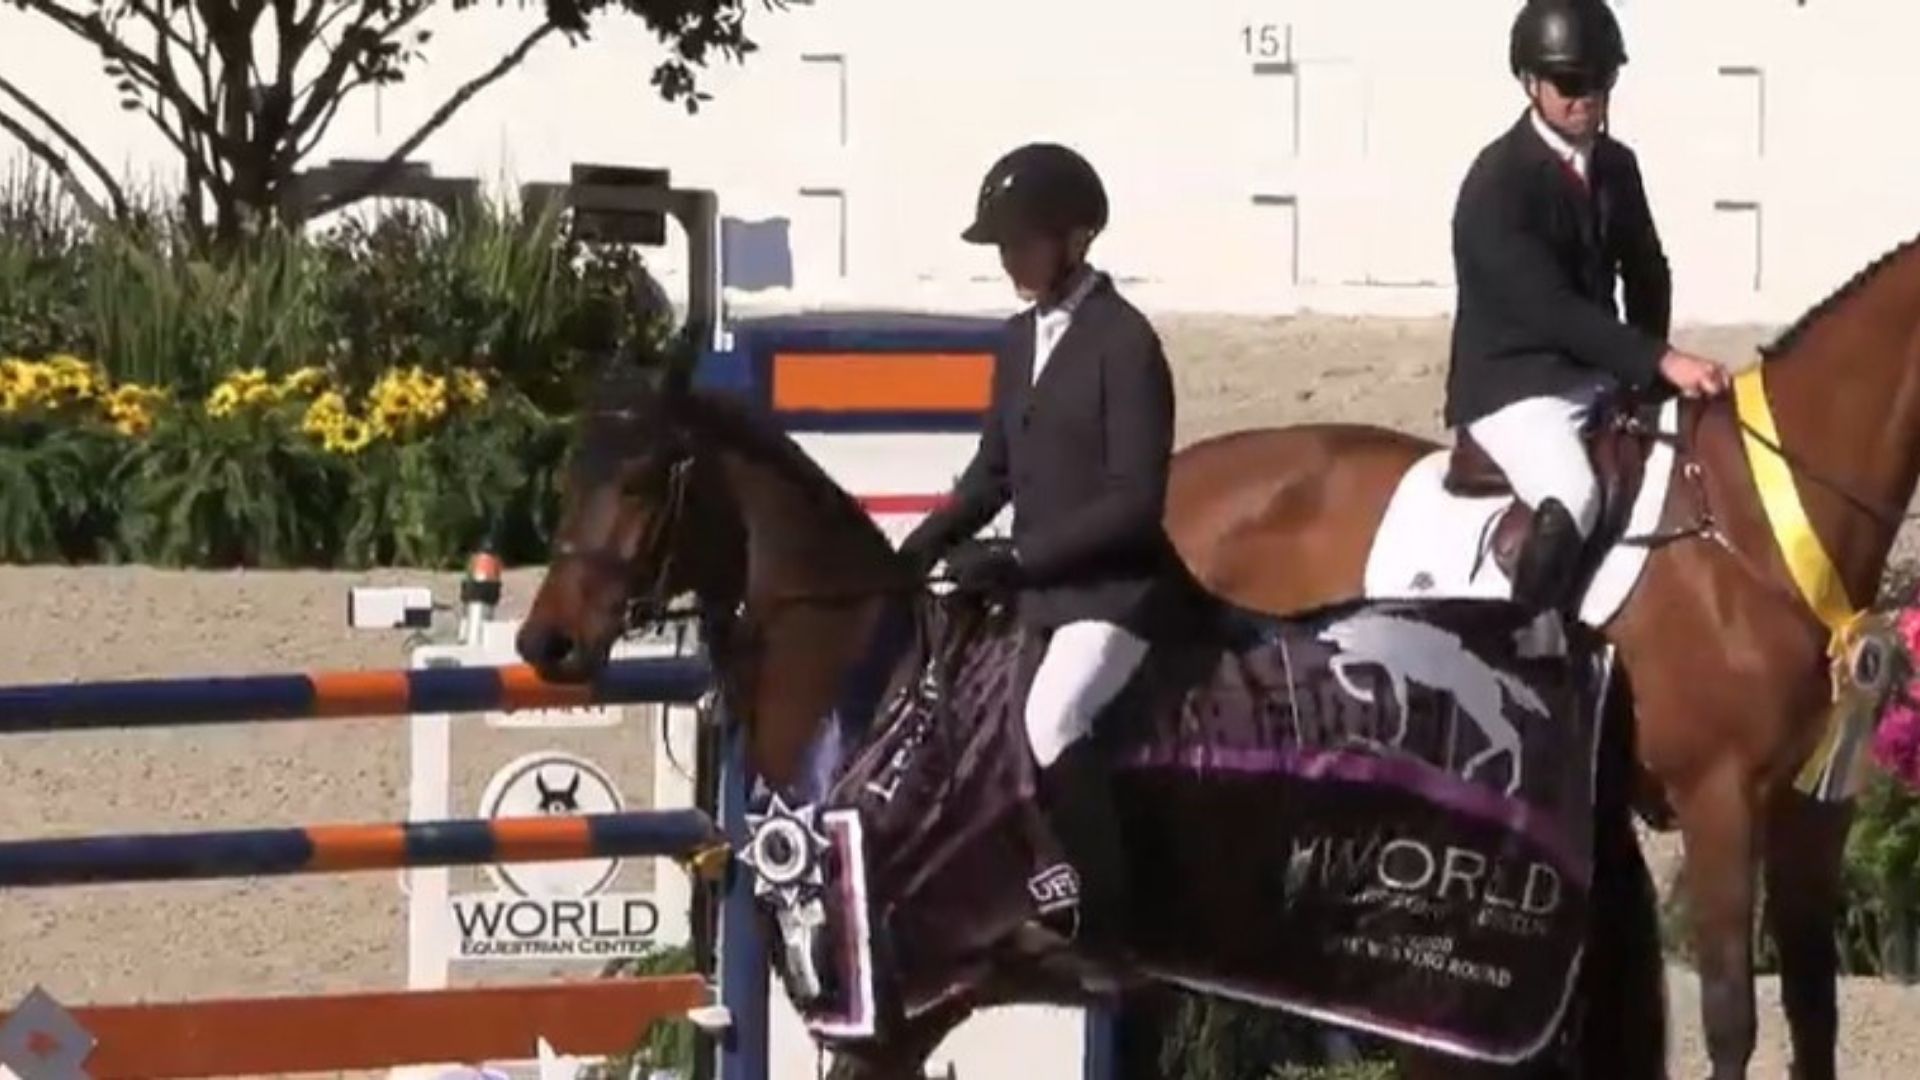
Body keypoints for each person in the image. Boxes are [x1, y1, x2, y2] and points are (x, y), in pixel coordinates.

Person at [896, 141, 1180, 957]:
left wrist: (1019, 560)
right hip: (1041, 591)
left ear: (1076, 238)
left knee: (1053, 718)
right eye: (1004, 247)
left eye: (1021, 243)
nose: (1010, 260)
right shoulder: (1020, 340)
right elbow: (993, 471)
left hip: (1112, 594)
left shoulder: (1125, 344)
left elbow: (1135, 502)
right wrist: (926, 541)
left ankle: (1110, 923)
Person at [1445, 0, 1732, 613]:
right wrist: (1662, 357)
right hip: (1516, 387)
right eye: (1572, 84)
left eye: (1602, 81)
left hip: (1594, 373)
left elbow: (1648, 272)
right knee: (1572, 491)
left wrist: (1650, 380)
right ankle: (1523, 644)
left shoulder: (1617, 165)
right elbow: (1549, 310)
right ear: (1530, 83)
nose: (1589, 98)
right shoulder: (1497, 183)